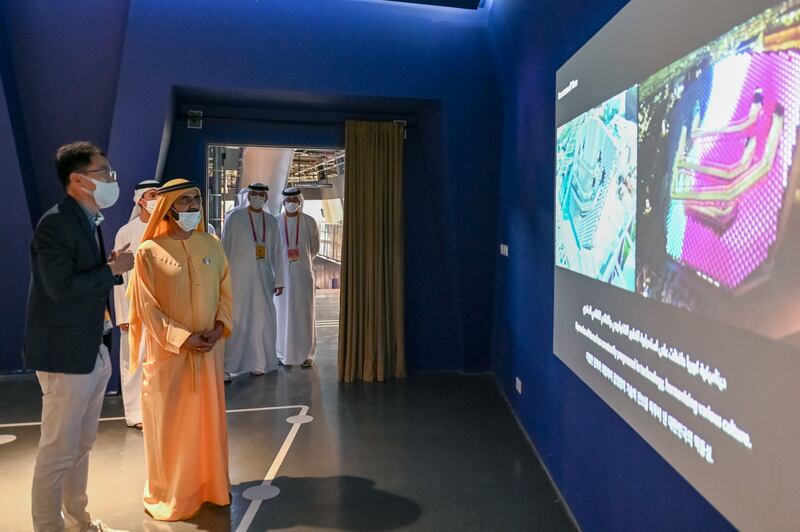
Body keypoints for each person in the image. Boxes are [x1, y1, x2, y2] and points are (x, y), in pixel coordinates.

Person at [24, 141, 133, 532]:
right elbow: (58, 288)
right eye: (104, 173)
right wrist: (114, 270)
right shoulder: (57, 222)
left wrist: (107, 267)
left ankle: (78, 520)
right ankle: (48, 527)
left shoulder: (86, 221)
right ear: (78, 180)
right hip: (65, 355)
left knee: (82, 446)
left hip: (92, 349)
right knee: (57, 452)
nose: (111, 179)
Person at [127, 178, 233, 521]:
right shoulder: (148, 252)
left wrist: (218, 329)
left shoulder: (212, 245)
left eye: (196, 200)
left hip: (209, 356)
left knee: (207, 426)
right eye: (184, 200)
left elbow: (226, 293)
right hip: (169, 358)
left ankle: (212, 487)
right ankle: (172, 494)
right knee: (171, 431)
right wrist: (183, 338)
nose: (192, 207)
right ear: (168, 207)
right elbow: (147, 307)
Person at [222, 183, 285, 380]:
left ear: (266, 198)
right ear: (248, 196)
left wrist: (280, 280)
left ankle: (260, 362)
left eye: (261, 195)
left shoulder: (271, 221)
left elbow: (277, 251)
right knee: (239, 319)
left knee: (263, 320)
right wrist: (221, 279)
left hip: (265, 278)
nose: (257, 197)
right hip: (238, 279)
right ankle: (230, 365)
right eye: (254, 194)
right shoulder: (235, 217)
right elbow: (225, 248)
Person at [113, 179, 160, 430]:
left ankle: (160, 410)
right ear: (140, 199)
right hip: (134, 307)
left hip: (163, 307)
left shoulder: (166, 228)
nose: (156, 199)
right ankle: (137, 413)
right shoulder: (126, 232)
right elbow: (119, 276)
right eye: (152, 195)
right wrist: (122, 313)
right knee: (135, 360)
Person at [275, 187, 320, 368]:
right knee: (282, 313)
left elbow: (314, 249)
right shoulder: (276, 222)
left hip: (303, 274)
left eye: (295, 199)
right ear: (283, 202)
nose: (291, 203)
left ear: (300, 201)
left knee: (305, 313)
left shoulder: (309, 222)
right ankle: (282, 352)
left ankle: (307, 354)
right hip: (282, 274)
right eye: (288, 200)